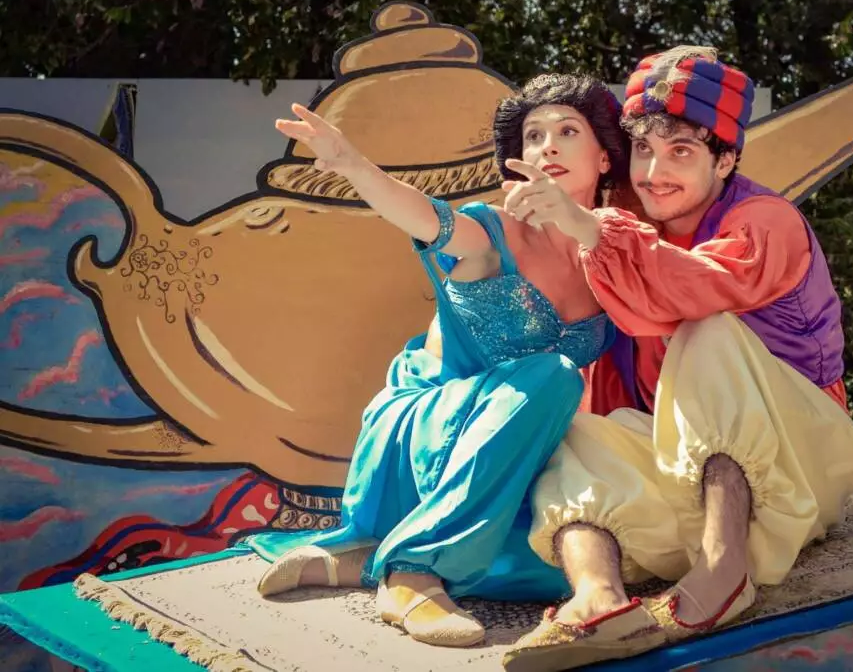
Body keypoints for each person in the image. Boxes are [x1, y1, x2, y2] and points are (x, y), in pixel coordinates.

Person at [498, 46, 853, 670]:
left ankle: (724, 573)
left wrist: (590, 228)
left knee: (708, 332)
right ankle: (597, 602)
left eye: (681, 152)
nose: (654, 171)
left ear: (725, 159)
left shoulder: (766, 221)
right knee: (576, 432)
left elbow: (691, 288)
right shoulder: (630, 223)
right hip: (690, 479)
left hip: (802, 467)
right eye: (643, 149)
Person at [247, 73, 633, 649]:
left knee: (585, 562)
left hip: (510, 463)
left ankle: (362, 560)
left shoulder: (615, 251)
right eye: (533, 136)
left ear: (604, 158)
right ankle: (414, 573)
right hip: (429, 435)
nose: (546, 147)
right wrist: (353, 166)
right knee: (554, 374)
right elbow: (426, 217)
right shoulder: (490, 230)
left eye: (566, 132)